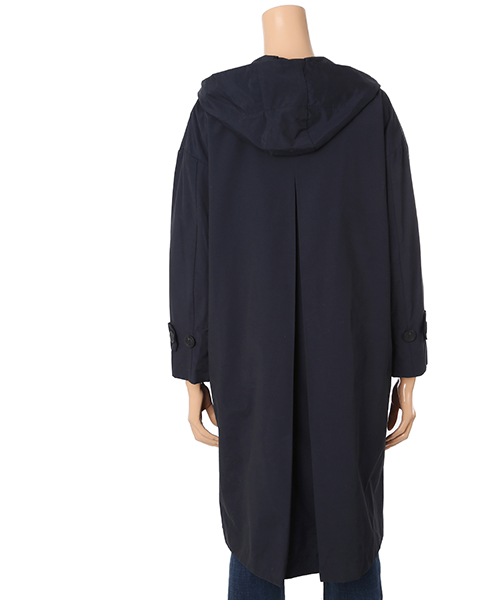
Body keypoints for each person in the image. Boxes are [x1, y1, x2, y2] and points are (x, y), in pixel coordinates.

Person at [168, 5, 428, 599]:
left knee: (256, 524)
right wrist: (408, 366)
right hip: (352, 357)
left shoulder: (213, 116)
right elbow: (403, 244)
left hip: (246, 358)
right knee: (349, 520)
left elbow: (191, 253)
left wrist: (192, 368)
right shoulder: (369, 108)